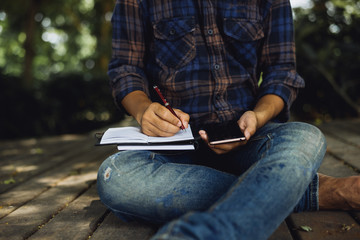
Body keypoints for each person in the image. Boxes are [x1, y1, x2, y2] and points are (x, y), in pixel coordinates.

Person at [97, 0, 360, 239]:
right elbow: (125, 70)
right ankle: (301, 191)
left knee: (306, 136)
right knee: (116, 178)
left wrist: (257, 116)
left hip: (249, 136)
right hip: (173, 143)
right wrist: (144, 110)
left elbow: (282, 74)